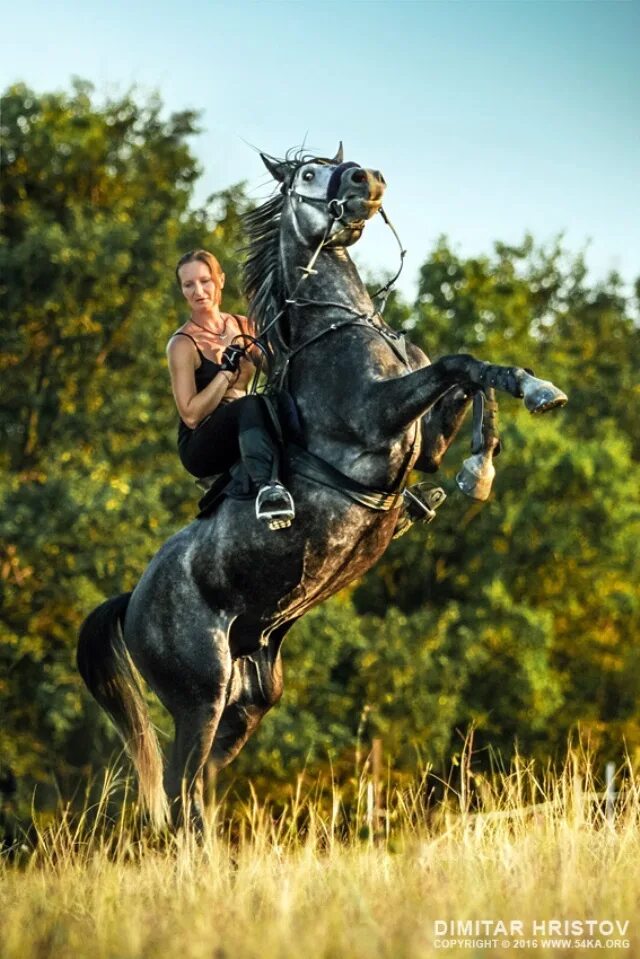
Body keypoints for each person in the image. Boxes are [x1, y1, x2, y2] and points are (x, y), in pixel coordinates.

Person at [167, 250, 295, 529]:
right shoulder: (182, 344)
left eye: (205, 281)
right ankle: (268, 490)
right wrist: (225, 373)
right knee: (251, 404)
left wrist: (261, 349)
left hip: (247, 425)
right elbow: (190, 415)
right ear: (182, 289)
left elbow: (281, 374)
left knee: (282, 405)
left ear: (220, 280)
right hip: (201, 441)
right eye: (189, 285)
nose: (198, 291)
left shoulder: (243, 325)